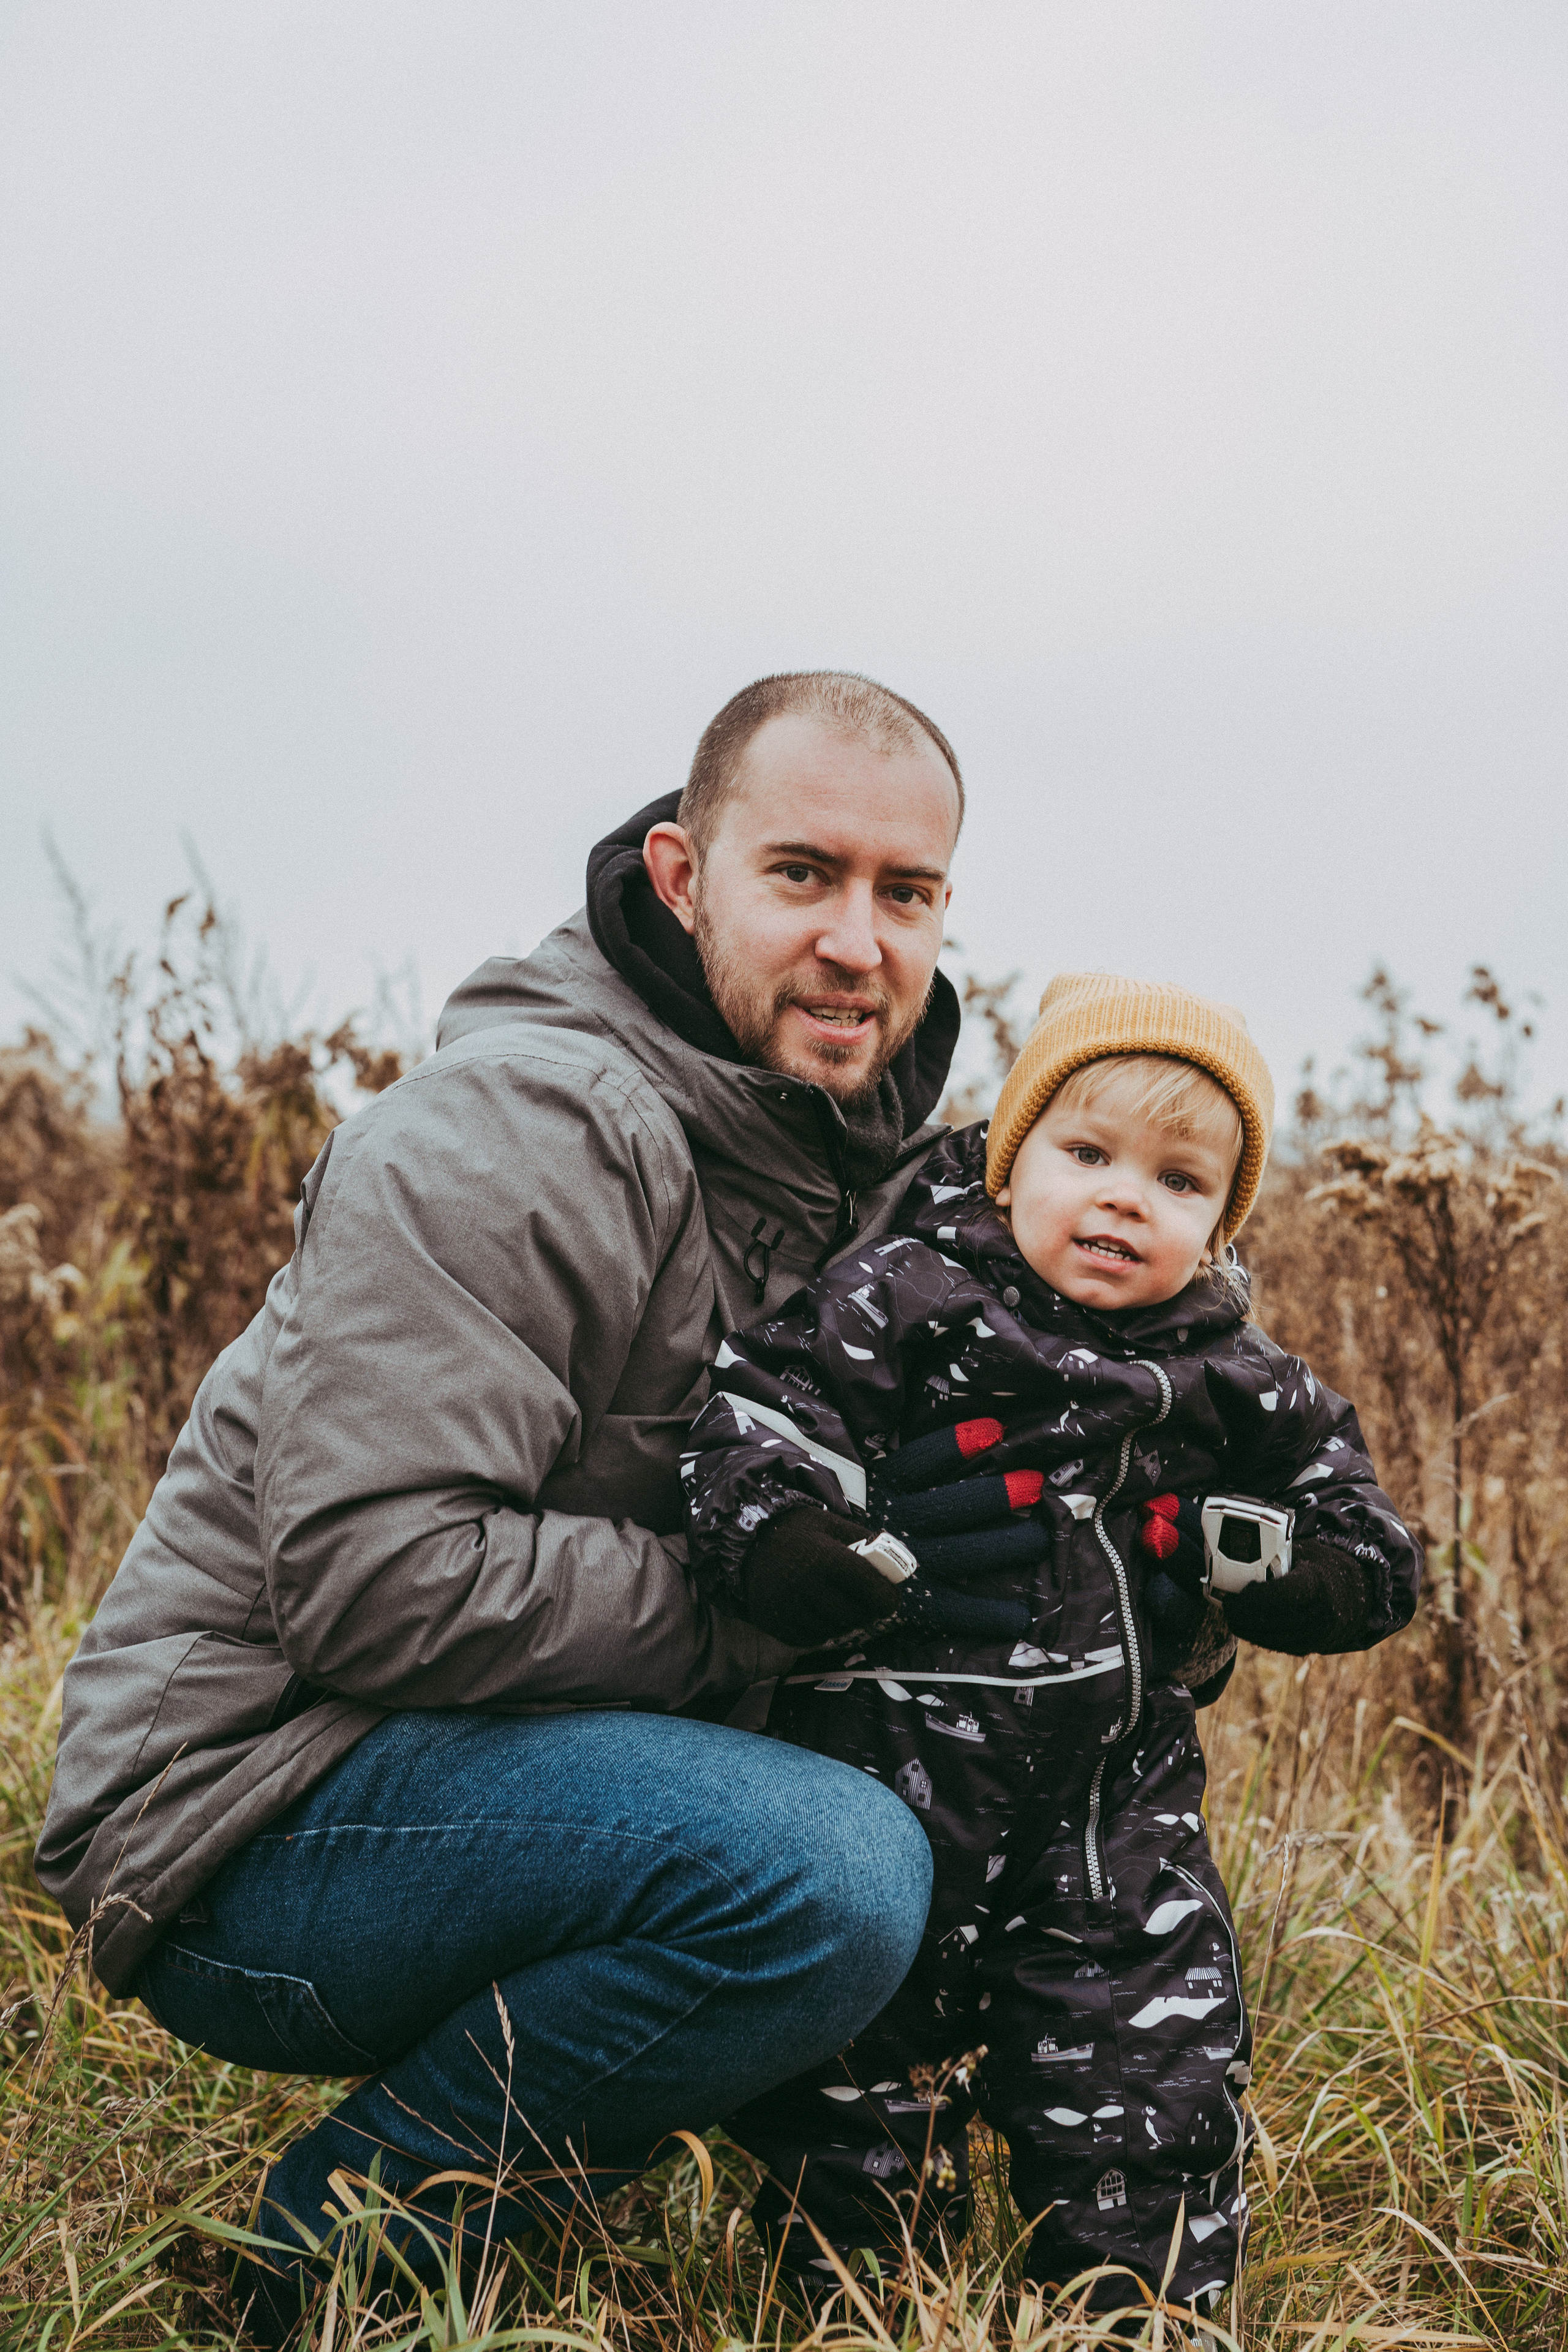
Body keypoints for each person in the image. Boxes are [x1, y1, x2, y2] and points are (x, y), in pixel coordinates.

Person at [35, 671, 1040, 2343]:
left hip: (496, 1766)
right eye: (803, 875)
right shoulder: (512, 1136)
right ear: (679, 875)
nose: (860, 942)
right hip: (247, 1812)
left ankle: (618, 2202)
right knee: (831, 1871)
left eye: (907, 892)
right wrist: (765, 1598)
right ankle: (327, 2263)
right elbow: (378, 1584)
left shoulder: (874, 1183)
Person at [680, 971, 1423, 2314]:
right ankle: (858, 2312)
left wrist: (1292, 1580)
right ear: (1012, 1156)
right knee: (848, 2101)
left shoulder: (1235, 1372)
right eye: (1085, 1155)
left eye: (1177, 1181)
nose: (1123, 1198)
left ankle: (1134, 2320)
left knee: (1149, 2088)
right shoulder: (904, 1295)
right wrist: (788, 1541)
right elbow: (755, 1417)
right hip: (885, 1791)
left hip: (1111, 1813)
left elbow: (1369, 1544)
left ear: (1219, 1219)